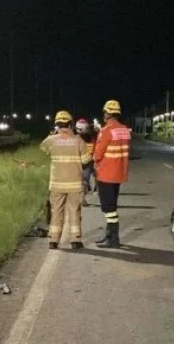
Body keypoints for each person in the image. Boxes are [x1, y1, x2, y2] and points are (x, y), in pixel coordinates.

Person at [39, 110, 93, 250]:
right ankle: (75, 241)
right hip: (74, 184)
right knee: (74, 211)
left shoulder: (51, 140)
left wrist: (52, 134)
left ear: (57, 124)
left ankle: (53, 241)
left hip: (56, 184)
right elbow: (87, 161)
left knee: (56, 211)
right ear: (71, 124)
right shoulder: (78, 140)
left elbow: (43, 147)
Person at [93, 100, 131, 248]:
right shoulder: (124, 130)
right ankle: (109, 236)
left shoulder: (107, 130)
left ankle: (113, 238)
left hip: (106, 173)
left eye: (104, 112)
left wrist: (95, 159)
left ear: (108, 113)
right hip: (119, 173)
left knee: (108, 208)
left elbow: (98, 153)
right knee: (112, 205)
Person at [76, 118, 97, 206]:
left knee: (82, 181)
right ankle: (83, 198)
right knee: (86, 181)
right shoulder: (92, 137)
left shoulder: (75, 138)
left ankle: (81, 198)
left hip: (78, 162)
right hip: (89, 162)